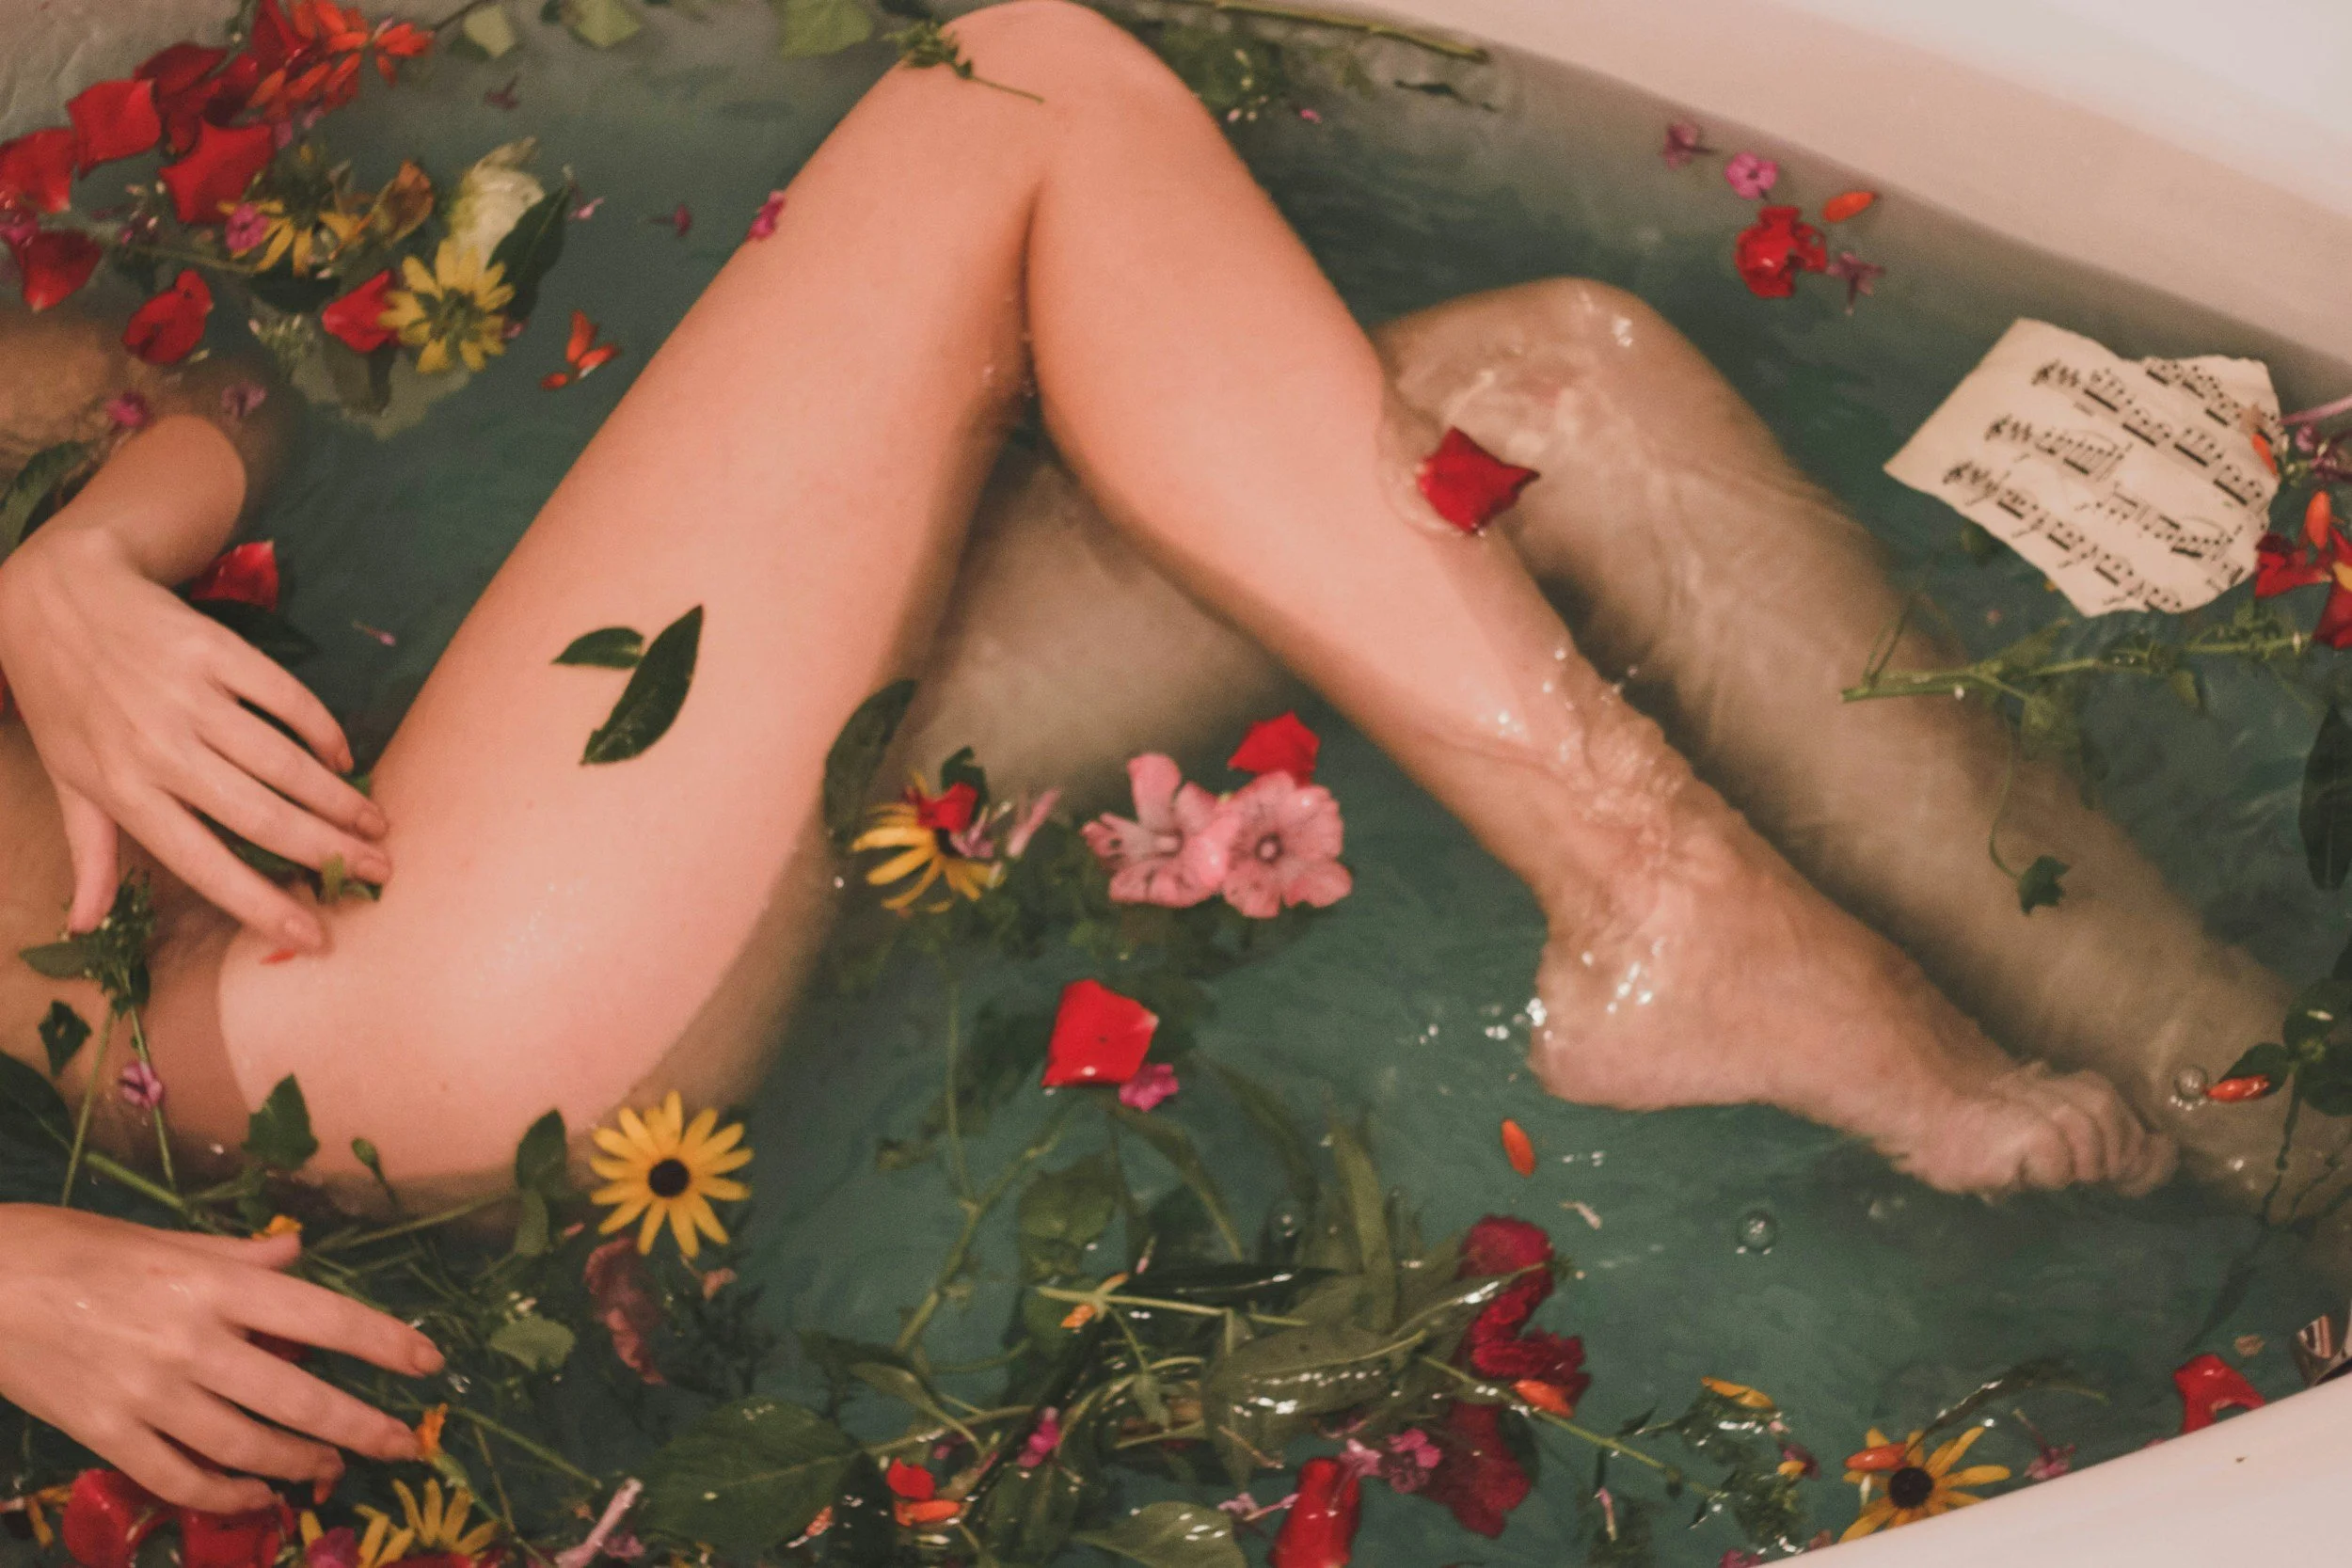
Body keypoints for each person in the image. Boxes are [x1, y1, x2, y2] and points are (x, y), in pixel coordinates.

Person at [0, 0, 2220, 1514]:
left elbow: (189, 382)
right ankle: (1656, 892)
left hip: (490, 835)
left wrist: (71, 565)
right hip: (360, 1008)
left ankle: (2264, 1102)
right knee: (1016, 84)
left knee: (1554, 397)